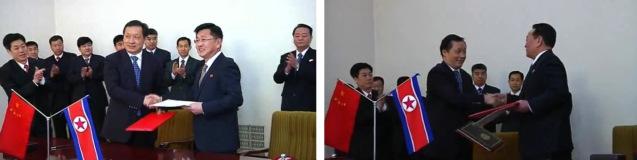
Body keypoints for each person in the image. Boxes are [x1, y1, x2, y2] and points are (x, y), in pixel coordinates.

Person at [416, 34, 504, 160]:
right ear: (445, 52)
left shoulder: (465, 76)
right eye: (458, 51)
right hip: (442, 141)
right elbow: (454, 98)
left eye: (464, 51)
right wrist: (484, 98)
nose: (462, 56)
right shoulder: (437, 73)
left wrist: (496, 108)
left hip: (463, 140)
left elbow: (470, 106)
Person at [513, 23, 573, 160]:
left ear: (539, 40)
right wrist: (505, 100)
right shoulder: (538, 64)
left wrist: (529, 105)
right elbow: (529, 97)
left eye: (527, 40)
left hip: (547, 145)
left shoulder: (550, 61)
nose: (525, 45)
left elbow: (558, 93)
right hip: (538, 144)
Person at [101, 20, 165, 147]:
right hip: (120, 125)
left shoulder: (155, 61)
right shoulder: (112, 60)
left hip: (147, 124)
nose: (131, 41)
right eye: (127, 36)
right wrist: (142, 99)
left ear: (144, 39)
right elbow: (113, 90)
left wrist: (161, 100)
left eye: (136, 37)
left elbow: (161, 88)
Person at [186, 23, 243, 153]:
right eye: (197, 40)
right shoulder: (200, 66)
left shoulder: (227, 65)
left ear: (218, 42)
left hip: (220, 141)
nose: (199, 44)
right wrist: (162, 99)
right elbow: (192, 95)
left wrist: (203, 108)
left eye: (204, 39)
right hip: (201, 139)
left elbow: (235, 98)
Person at [0, 33, 49, 138]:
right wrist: (34, 81)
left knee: (45, 148)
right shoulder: (5, 70)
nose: (21, 50)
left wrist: (43, 80)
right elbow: (14, 95)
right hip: (21, 116)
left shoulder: (39, 63)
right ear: (9, 51)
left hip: (42, 115)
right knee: (26, 151)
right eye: (16, 48)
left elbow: (51, 86)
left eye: (23, 46)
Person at [67, 37, 108, 133]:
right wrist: (80, 76)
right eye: (84, 46)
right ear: (79, 48)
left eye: (89, 45)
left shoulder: (101, 59)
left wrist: (92, 75)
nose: (87, 48)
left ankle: (101, 145)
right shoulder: (73, 61)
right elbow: (69, 78)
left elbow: (105, 76)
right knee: (83, 127)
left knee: (99, 125)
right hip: (79, 98)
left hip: (97, 98)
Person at [273, 24, 316, 111]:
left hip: (309, 104)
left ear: (311, 38)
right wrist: (286, 70)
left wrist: (297, 66)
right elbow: (277, 79)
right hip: (288, 103)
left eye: (304, 36)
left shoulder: (317, 55)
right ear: (293, 39)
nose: (300, 38)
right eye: (297, 36)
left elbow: (315, 77)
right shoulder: (287, 56)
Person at [45, 35, 76, 139]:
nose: (57, 47)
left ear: (63, 44)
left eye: (59, 44)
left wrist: (60, 72)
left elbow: (73, 76)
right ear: (51, 47)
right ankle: (62, 154)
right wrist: (52, 75)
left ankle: (74, 153)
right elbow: (45, 81)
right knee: (59, 130)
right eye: (54, 45)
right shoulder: (47, 61)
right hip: (55, 101)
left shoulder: (72, 57)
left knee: (74, 129)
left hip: (71, 98)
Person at [471, 63, 501, 132]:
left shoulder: (495, 91)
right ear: (472, 76)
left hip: (489, 129)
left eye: (483, 73)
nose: (480, 76)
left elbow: (498, 112)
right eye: (477, 73)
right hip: (470, 128)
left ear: (486, 75)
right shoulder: (466, 91)